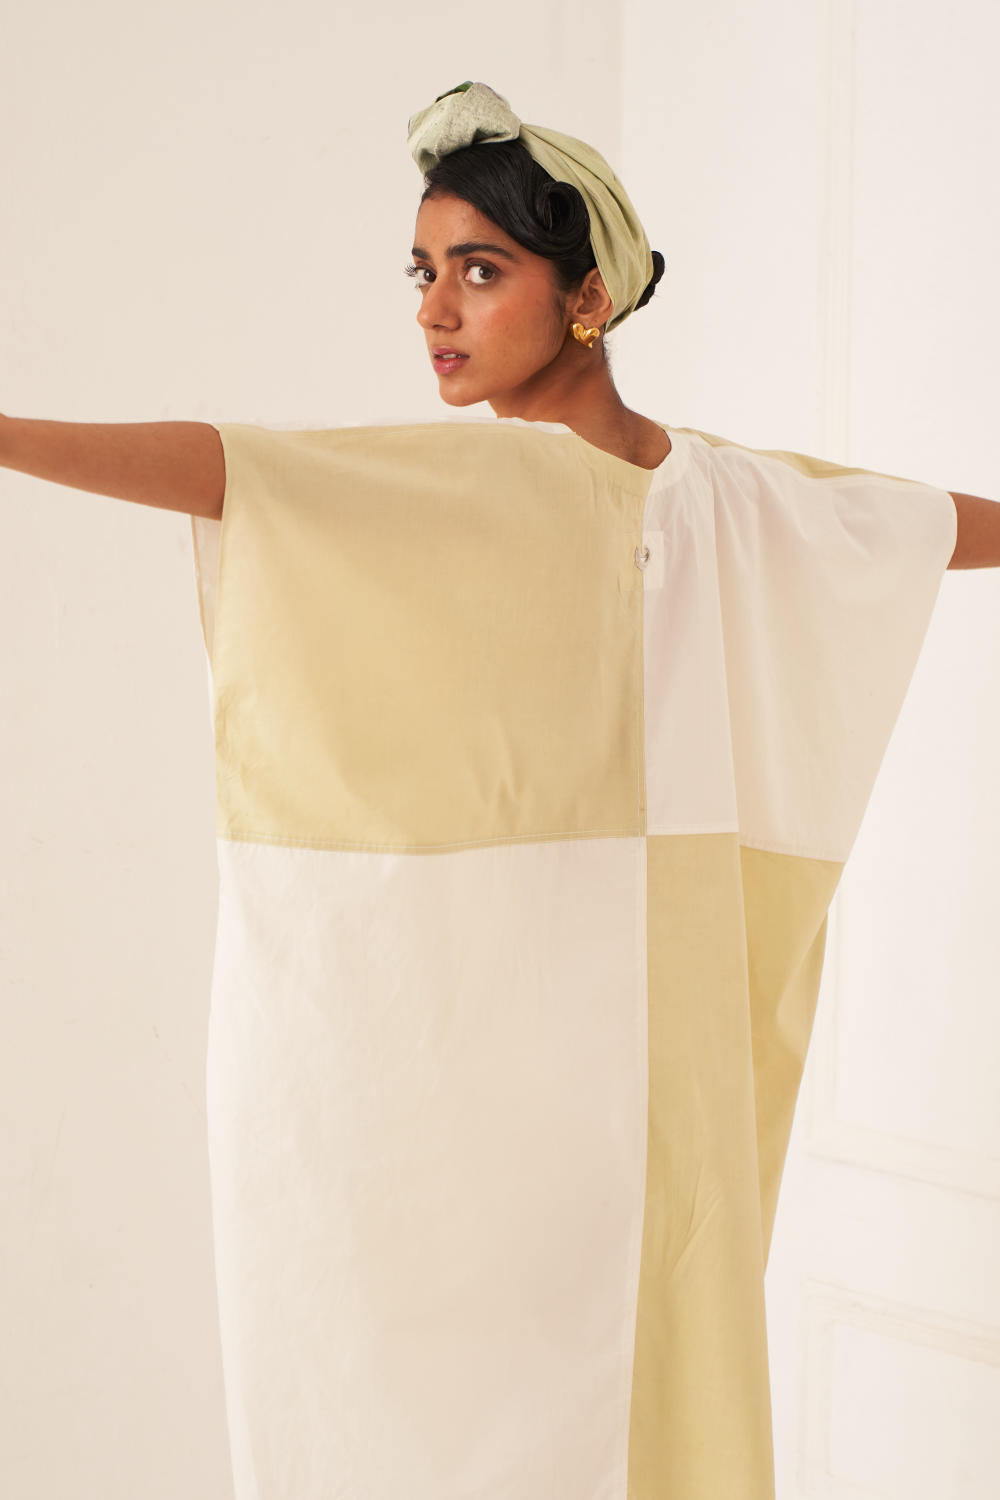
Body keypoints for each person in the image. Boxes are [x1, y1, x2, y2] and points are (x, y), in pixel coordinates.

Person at [2, 78, 998, 1500]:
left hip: (625, 1093)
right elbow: (249, 477)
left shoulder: (717, 498)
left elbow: (912, 526)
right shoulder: (669, 495)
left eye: (479, 271)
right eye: (421, 272)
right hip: (506, 1100)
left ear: (588, 296)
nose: (434, 310)